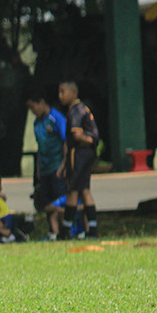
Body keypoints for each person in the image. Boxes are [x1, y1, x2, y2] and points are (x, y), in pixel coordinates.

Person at [56, 81, 100, 239]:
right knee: (85, 189)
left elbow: (77, 135)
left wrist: (87, 140)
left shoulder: (75, 110)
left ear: (73, 93)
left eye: (63, 92)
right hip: (89, 153)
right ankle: (93, 229)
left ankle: (65, 230)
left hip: (79, 152)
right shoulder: (84, 108)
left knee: (72, 189)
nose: (60, 96)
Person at [26, 92, 68, 240]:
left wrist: (64, 165)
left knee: (60, 200)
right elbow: (40, 147)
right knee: (48, 202)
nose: (33, 111)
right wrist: (38, 169)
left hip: (57, 167)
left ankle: (65, 231)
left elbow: (65, 141)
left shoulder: (56, 118)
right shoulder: (37, 123)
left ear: (42, 102)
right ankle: (53, 232)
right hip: (44, 168)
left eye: (33, 107)